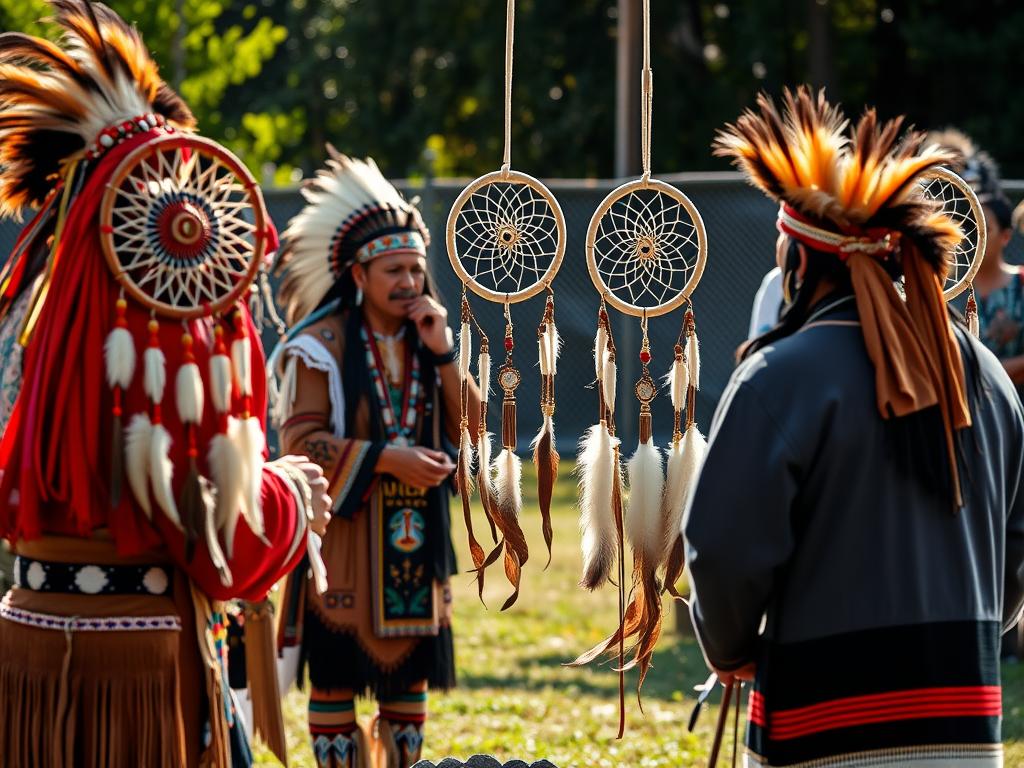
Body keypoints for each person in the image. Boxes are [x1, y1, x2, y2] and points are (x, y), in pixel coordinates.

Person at [0, 3, 329, 766]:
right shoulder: (161, 323)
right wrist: (289, 494)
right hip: (142, 673)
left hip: (25, 646)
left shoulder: (30, 305)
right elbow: (228, 544)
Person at [686, 87, 1024, 766]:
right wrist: (978, 628)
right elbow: (1015, 548)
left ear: (800, 261)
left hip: (821, 724)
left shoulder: (777, 377)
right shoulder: (984, 374)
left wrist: (728, 649)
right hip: (966, 724)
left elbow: (721, 547)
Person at [271, 147, 480, 768]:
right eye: (394, 271)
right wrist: (388, 459)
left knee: (406, 682)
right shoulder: (320, 346)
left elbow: (471, 424)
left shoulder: (430, 338)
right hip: (346, 537)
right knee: (335, 677)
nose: (410, 284)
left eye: (416, 270)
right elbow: (299, 444)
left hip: (413, 542)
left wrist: (443, 353)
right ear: (358, 275)